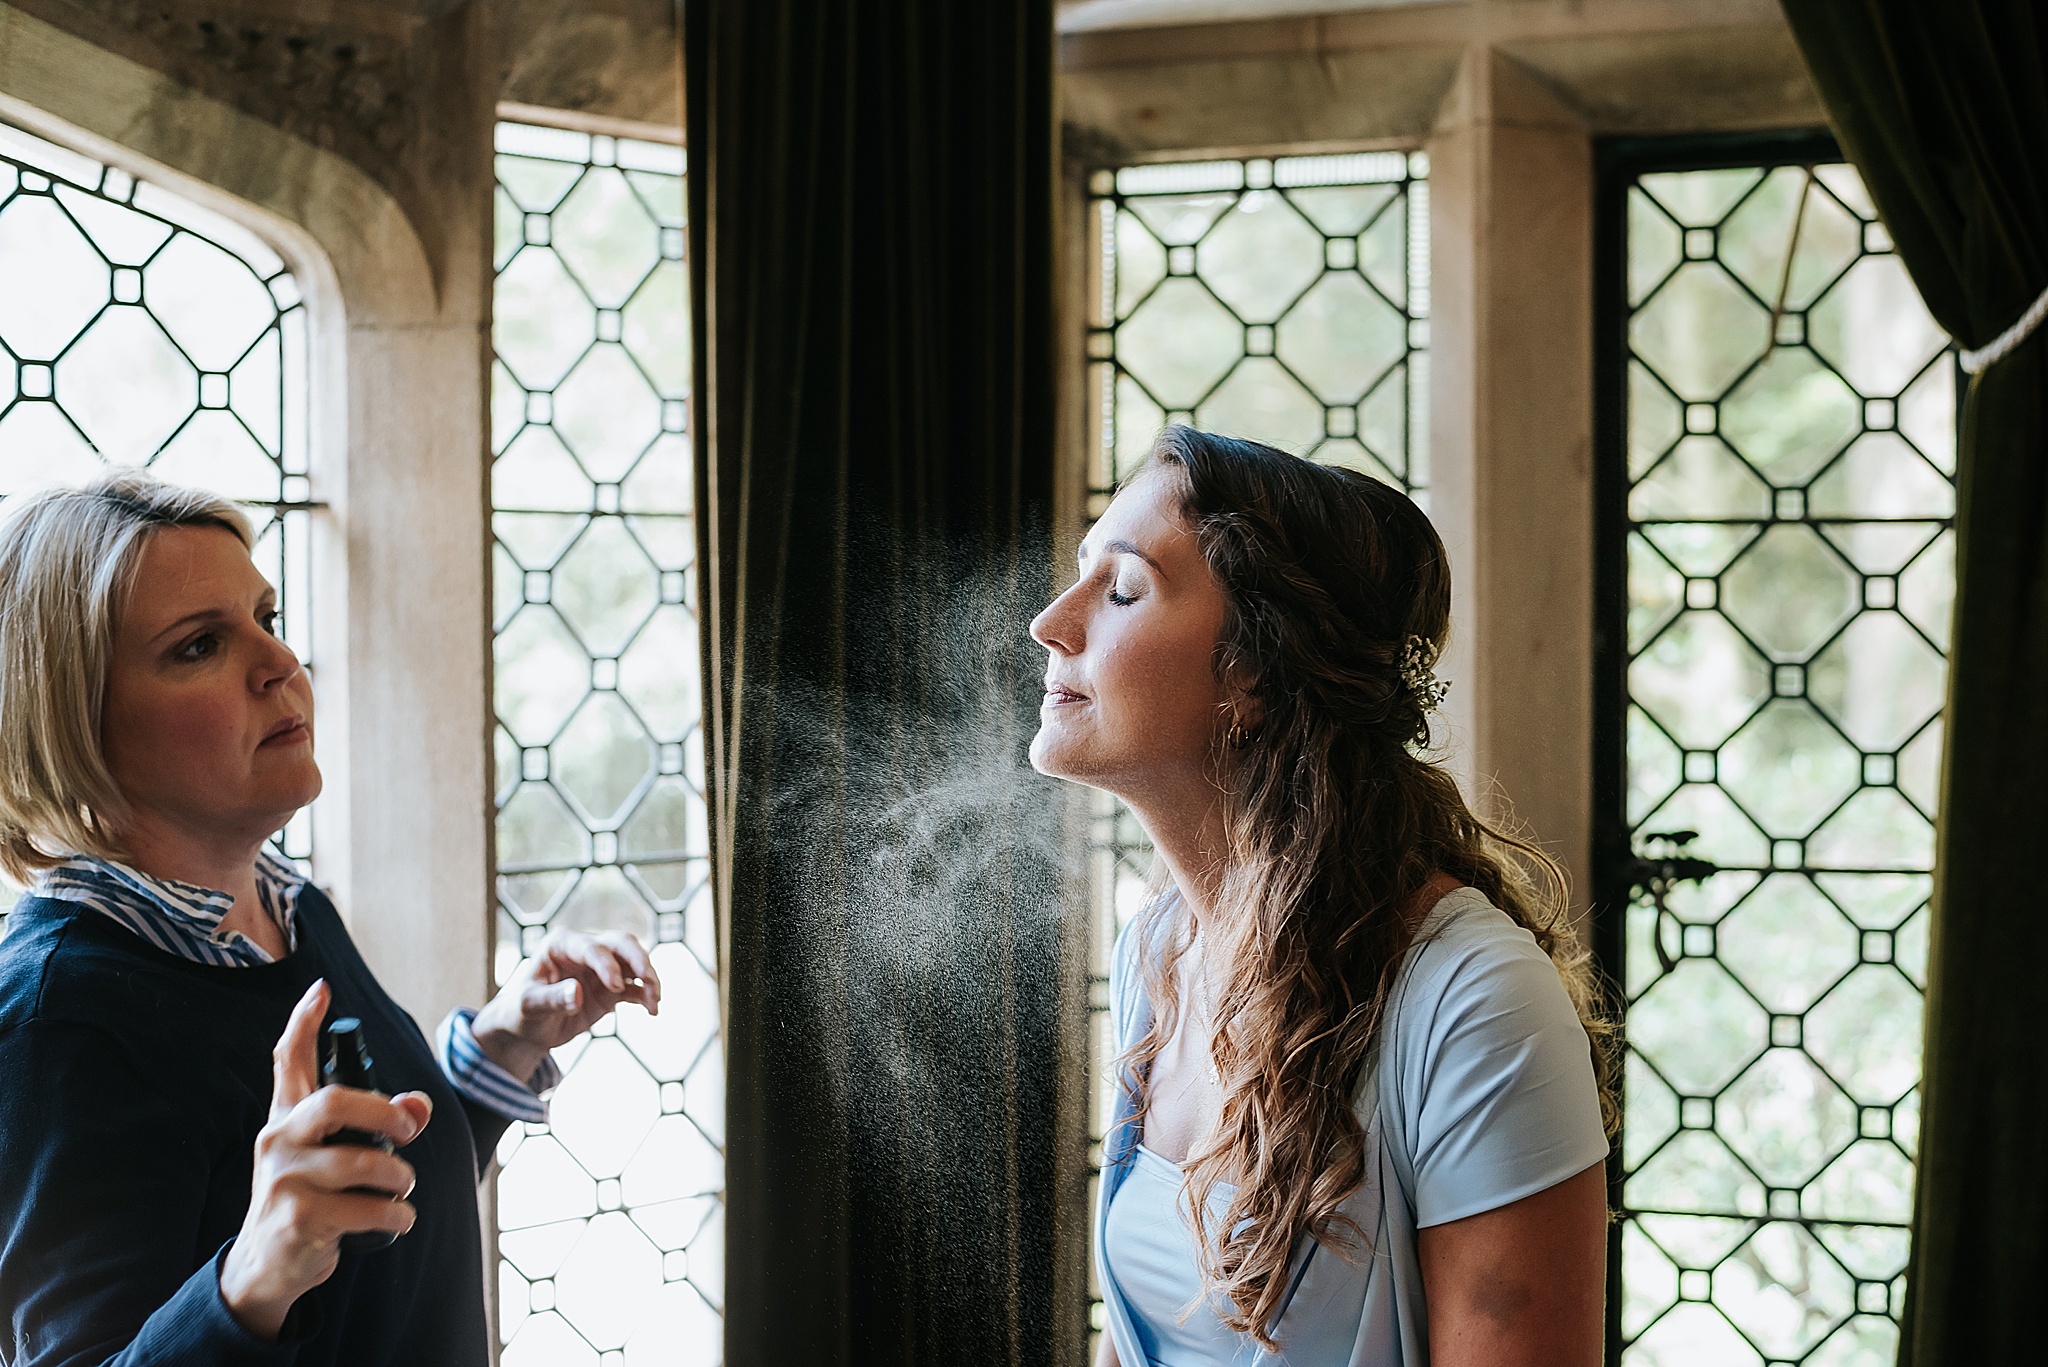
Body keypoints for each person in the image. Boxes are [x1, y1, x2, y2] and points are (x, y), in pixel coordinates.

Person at [0, 471, 661, 1365]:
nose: (280, 666)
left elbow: (364, 1218)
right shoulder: (55, 1019)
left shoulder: (289, 905)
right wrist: (254, 1277)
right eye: (199, 645)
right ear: (71, 720)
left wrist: (496, 1052)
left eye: (265, 620)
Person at [1031, 427, 1614, 1367]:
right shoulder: (1157, 954)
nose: (1051, 621)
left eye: (1124, 588)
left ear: (1252, 676)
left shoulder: (1474, 1007)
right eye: (1081, 574)